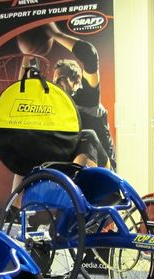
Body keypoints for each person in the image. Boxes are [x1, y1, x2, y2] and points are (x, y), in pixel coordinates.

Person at [46, 23, 117, 170]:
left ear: (77, 80)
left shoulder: (87, 96)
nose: (56, 85)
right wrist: (26, 59)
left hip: (105, 170)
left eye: (61, 79)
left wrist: (55, 34)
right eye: (54, 82)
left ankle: (76, 189)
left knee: (87, 136)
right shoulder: (57, 106)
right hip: (75, 163)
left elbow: (89, 55)